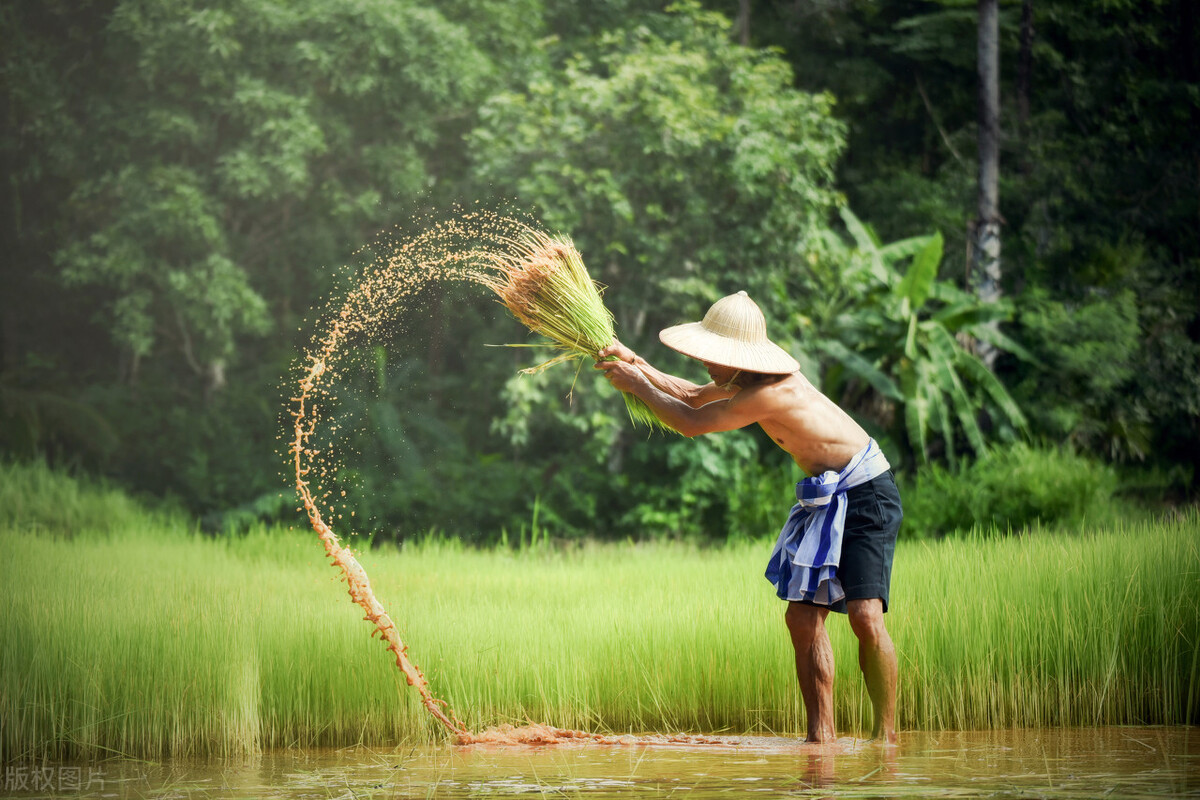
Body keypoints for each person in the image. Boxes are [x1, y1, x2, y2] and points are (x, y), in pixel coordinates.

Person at [595, 290, 903, 744]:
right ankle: (821, 739)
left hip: (866, 493)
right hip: (827, 495)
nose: (706, 363)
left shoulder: (774, 390)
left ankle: (886, 739)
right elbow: (694, 395)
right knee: (802, 619)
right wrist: (636, 362)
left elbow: (691, 421)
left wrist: (637, 385)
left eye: (713, 355)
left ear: (739, 357)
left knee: (865, 616)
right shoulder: (747, 382)